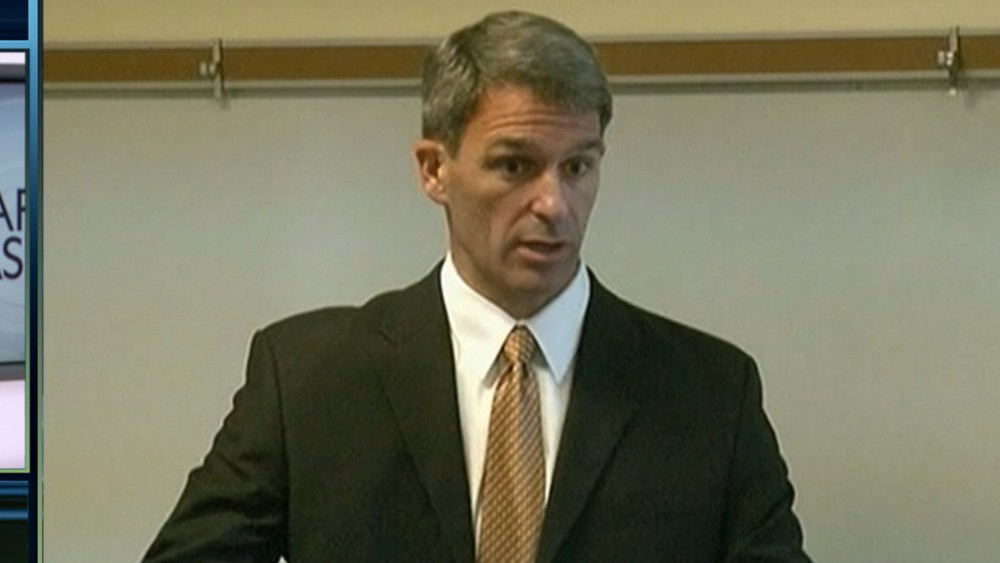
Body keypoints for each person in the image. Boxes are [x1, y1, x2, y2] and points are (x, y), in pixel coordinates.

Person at [144, 11, 811, 563]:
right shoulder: (310, 378)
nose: (554, 203)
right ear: (434, 169)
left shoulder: (708, 393)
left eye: (577, 167)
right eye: (515, 165)